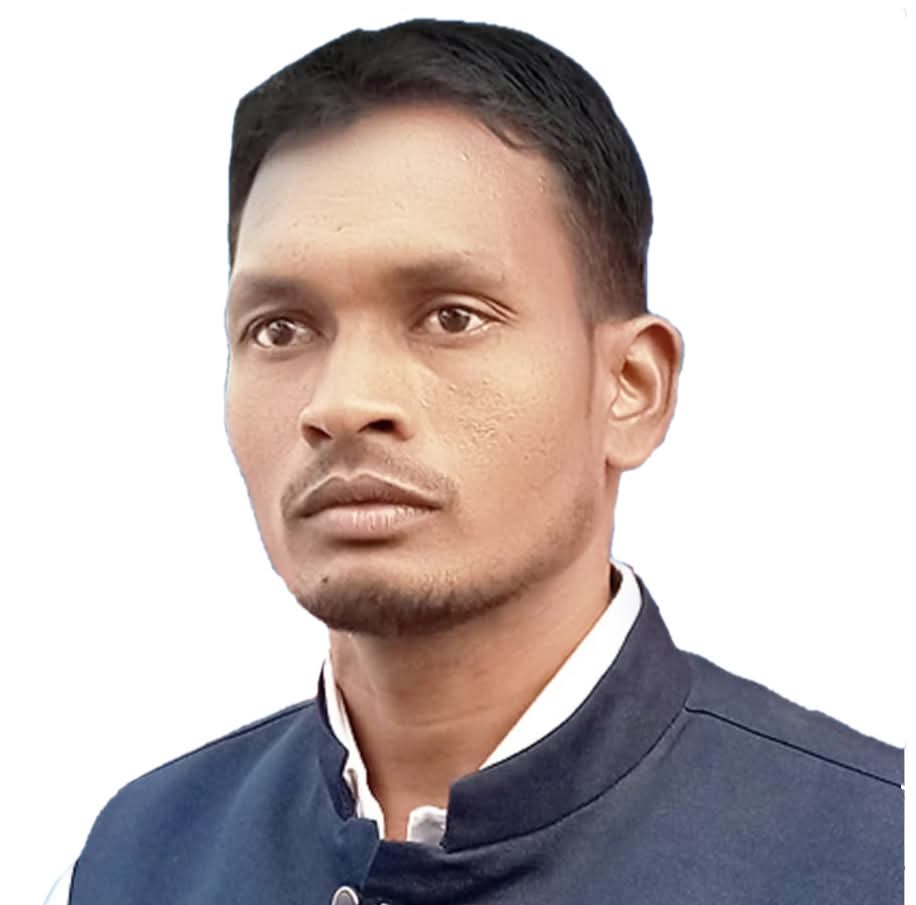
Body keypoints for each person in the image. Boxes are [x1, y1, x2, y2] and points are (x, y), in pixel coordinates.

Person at [52, 18, 902, 905]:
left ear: (631, 386)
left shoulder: (871, 854)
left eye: (451, 316)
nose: (342, 402)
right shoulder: (132, 862)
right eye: (281, 329)